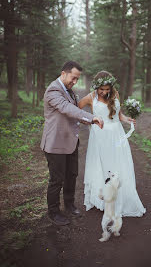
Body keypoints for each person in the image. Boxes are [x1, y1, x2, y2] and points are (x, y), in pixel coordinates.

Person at [40, 61, 103, 226]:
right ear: (63, 73)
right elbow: (67, 109)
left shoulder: (69, 91)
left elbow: (73, 114)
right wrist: (91, 117)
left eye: (77, 79)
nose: (75, 82)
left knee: (72, 174)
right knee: (56, 180)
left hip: (71, 141)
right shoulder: (54, 90)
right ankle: (53, 213)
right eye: (73, 78)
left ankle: (69, 204)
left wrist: (91, 122)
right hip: (55, 144)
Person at [78, 71, 146, 217]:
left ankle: (120, 198)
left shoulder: (115, 94)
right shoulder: (91, 97)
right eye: (101, 89)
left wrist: (127, 119)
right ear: (96, 87)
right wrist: (89, 120)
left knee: (118, 164)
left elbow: (118, 114)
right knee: (102, 165)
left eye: (107, 89)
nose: (104, 92)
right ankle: (101, 198)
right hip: (100, 135)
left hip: (116, 133)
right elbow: (76, 109)